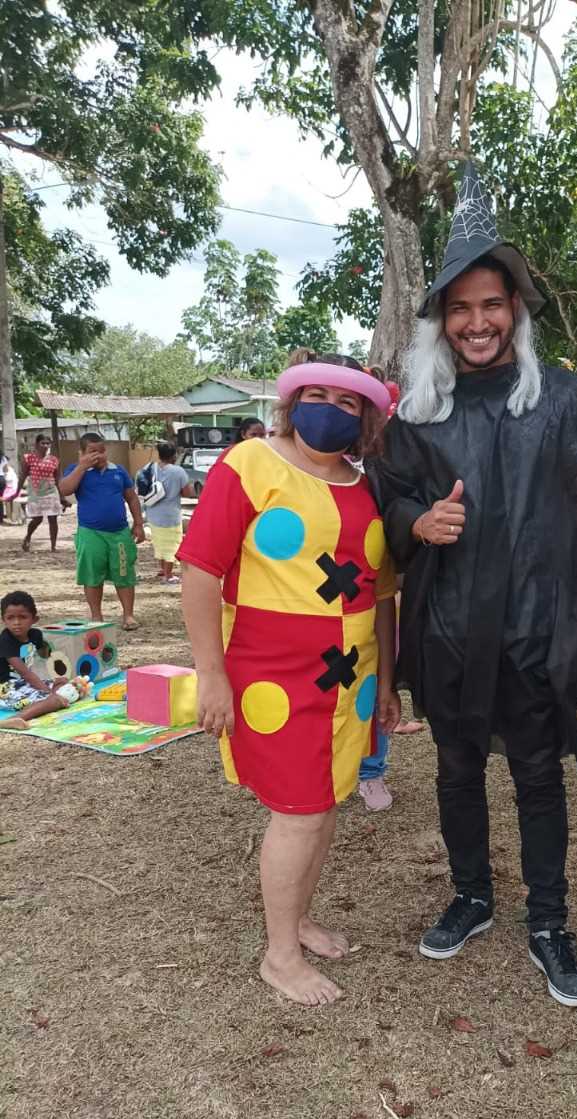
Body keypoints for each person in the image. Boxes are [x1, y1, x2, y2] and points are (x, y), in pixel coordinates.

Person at [371, 163, 577, 1008]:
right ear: (441, 320)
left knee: (539, 775)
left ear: (514, 310)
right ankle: (472, 895)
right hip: (446, 629)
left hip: (534, 631)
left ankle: (548, 920)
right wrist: (417, 523)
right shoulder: (417, 414)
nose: (477, 323)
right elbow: (387, 500)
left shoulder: (563, 401)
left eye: (491, 304)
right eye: (460, 308)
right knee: (455, 768)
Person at [179, 353, 401, 1007]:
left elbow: (381, 594)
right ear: (292, 400)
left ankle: (298, 921)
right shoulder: (251, 465)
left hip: (349, 680)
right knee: (299, 812)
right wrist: (210, 674)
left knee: (324, 803)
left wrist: (387, 682)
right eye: (318, 395)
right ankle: (279, 956)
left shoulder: (365, 486)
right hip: (273, 677)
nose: (329, 410)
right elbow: (200, 571)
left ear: (365, 417)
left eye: (348, 401)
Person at [59, 433, 145, 630]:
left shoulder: (119, 471)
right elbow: (65, 489)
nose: (98, 455)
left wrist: (138, 524)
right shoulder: (76, 470)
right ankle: (96, 617)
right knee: (92, 574)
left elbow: (131, 498)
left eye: (101, 450)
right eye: (92, 451)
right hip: (90, 533)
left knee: (124, 573)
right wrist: (82, 466)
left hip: (120, 533)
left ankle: (128, 615)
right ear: (81, 453)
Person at [0, 590, 88, 727]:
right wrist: (49, 693)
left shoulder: (35, 635)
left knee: (65, 683)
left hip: (24, 683)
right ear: (3, 620)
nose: (16, 622)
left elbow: (46, 657)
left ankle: (52, 697)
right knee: (54, 701)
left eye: (23, 617)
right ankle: (14, 719)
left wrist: (56, 681)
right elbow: (25, 673)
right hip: (6, 687)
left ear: (34, 619)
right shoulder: (5, 640)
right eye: (10, 618)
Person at [143, 441, 195, 585]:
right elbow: (188, 493)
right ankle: (168, 575)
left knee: (159, 543)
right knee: (172, 545)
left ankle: (162, 570)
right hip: (170, 515)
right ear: (174, 455)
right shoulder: (178, 471)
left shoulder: (150, 468)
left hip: (153, 512)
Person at [16, 435, 61, 551]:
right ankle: (28, 537)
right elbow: (23, 476)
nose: (45, 446)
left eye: (48, 443)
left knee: (53, 518)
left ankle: (53, 546)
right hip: (35, 491)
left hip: (51, 491)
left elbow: (57, 479)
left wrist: (62, 496)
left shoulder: (54, 460)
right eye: (43, 443)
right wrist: (17, 491)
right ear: (36, 444)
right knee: (37, 519)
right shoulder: (28, 458)